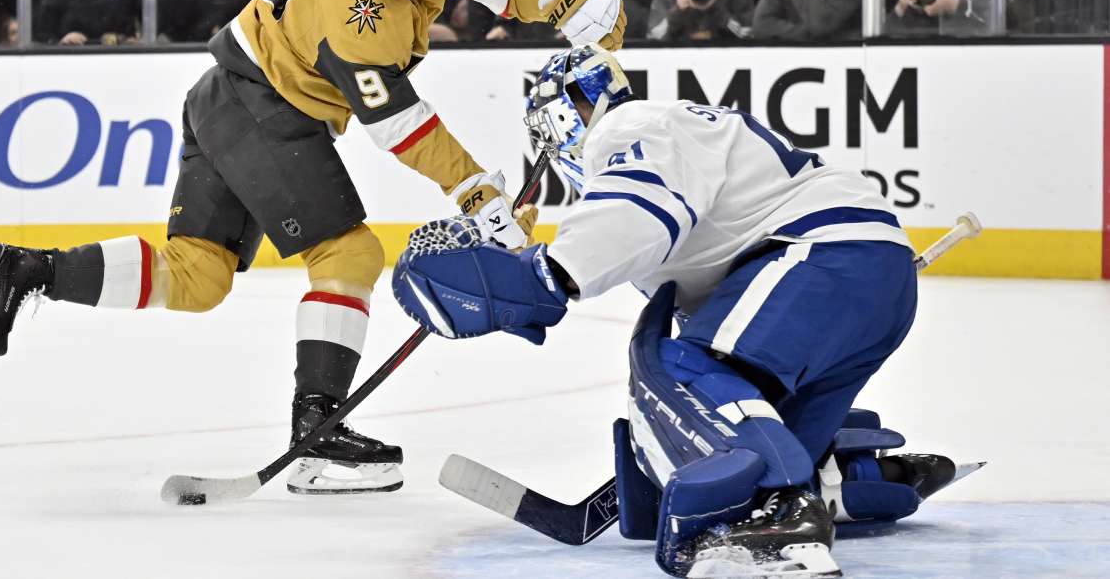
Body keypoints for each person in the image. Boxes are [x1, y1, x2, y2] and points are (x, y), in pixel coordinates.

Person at [0, 0, 625, 497]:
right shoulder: (349, 12)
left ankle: (16, 270)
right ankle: (319, 436)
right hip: (263, 107)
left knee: (199, 278)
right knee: (351, 257)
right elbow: (398, 123)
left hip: (224, 97)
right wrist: (474, 189)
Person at [392, 45, 976, 576]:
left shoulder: (629, 129)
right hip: (862, 278)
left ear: (565, 118)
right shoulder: (676, 143)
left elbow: (638, 207)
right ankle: (849, 482)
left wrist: (548, 274)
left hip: (819, 259)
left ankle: (781, 521)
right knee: (730, 404)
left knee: (678, 368)